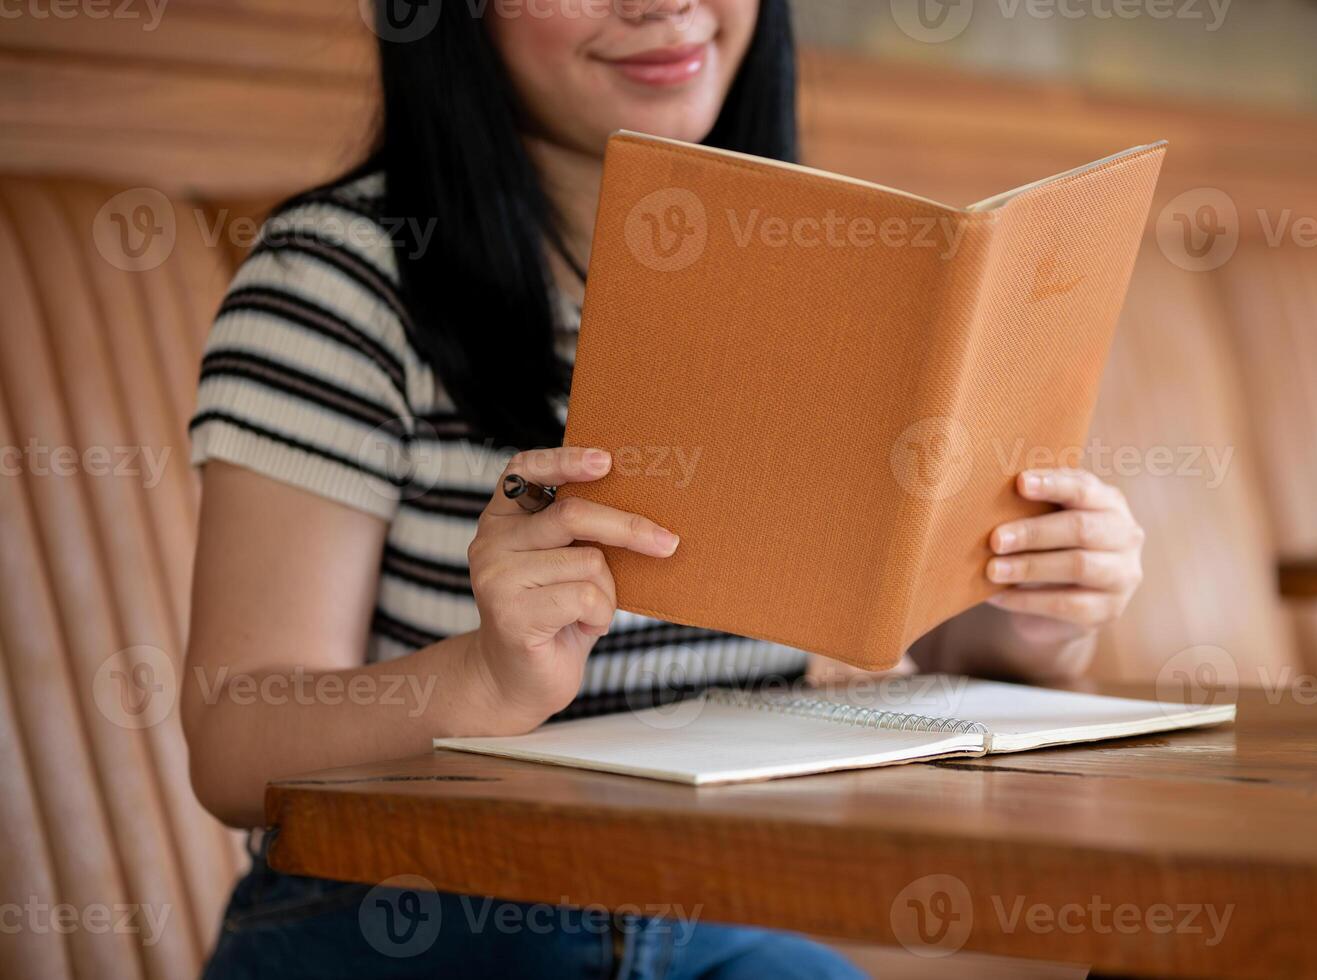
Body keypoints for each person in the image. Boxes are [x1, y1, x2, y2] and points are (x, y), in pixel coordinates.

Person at [182, 1, 1146, 976]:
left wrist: (1035, 608)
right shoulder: (342, 276)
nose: (660, 5)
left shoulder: (824, 269)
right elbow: (232, 740)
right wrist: (483, 676)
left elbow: (904, 633)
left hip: (724, 899)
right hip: (423, 910)